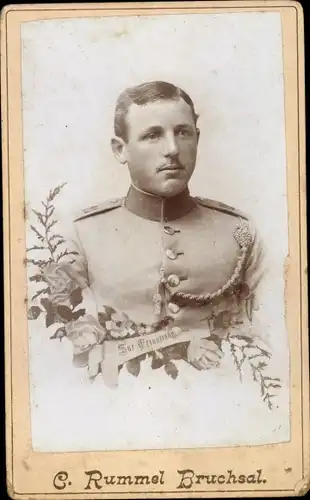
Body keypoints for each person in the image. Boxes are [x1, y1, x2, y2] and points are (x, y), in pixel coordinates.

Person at [47, 81, 265, 381]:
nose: (173, 149)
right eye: (152, 135)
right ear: (120, 149)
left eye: (183, 132)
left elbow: (272, 338)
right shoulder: (80, 235)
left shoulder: (240, 231)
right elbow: (55, 355)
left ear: (197, 138)